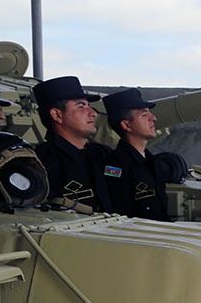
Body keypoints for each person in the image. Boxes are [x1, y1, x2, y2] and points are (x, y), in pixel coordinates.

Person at [32, 76, 112, 212]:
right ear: (57, 115)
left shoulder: (102, 154)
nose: (93, 113)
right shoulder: (41, 164)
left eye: (90, 106)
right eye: (81, 106)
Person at [101, 88, 170, 221]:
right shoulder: (116, 166)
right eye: (144, 115)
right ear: (126, 125)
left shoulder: (150, 161)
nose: (153, 118)